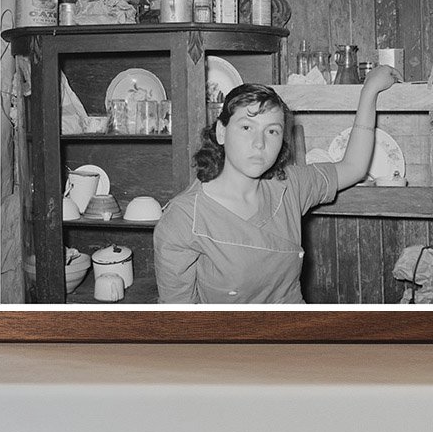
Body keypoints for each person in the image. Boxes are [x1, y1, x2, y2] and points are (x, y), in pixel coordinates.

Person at [153, 65, 401, 304]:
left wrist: (369, 92)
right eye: (247, 127)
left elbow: (353, 168)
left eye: (272, 131)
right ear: (221, 132)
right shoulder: (184, 219)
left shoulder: (289, 185)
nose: (259, 143)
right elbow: (180, 322)